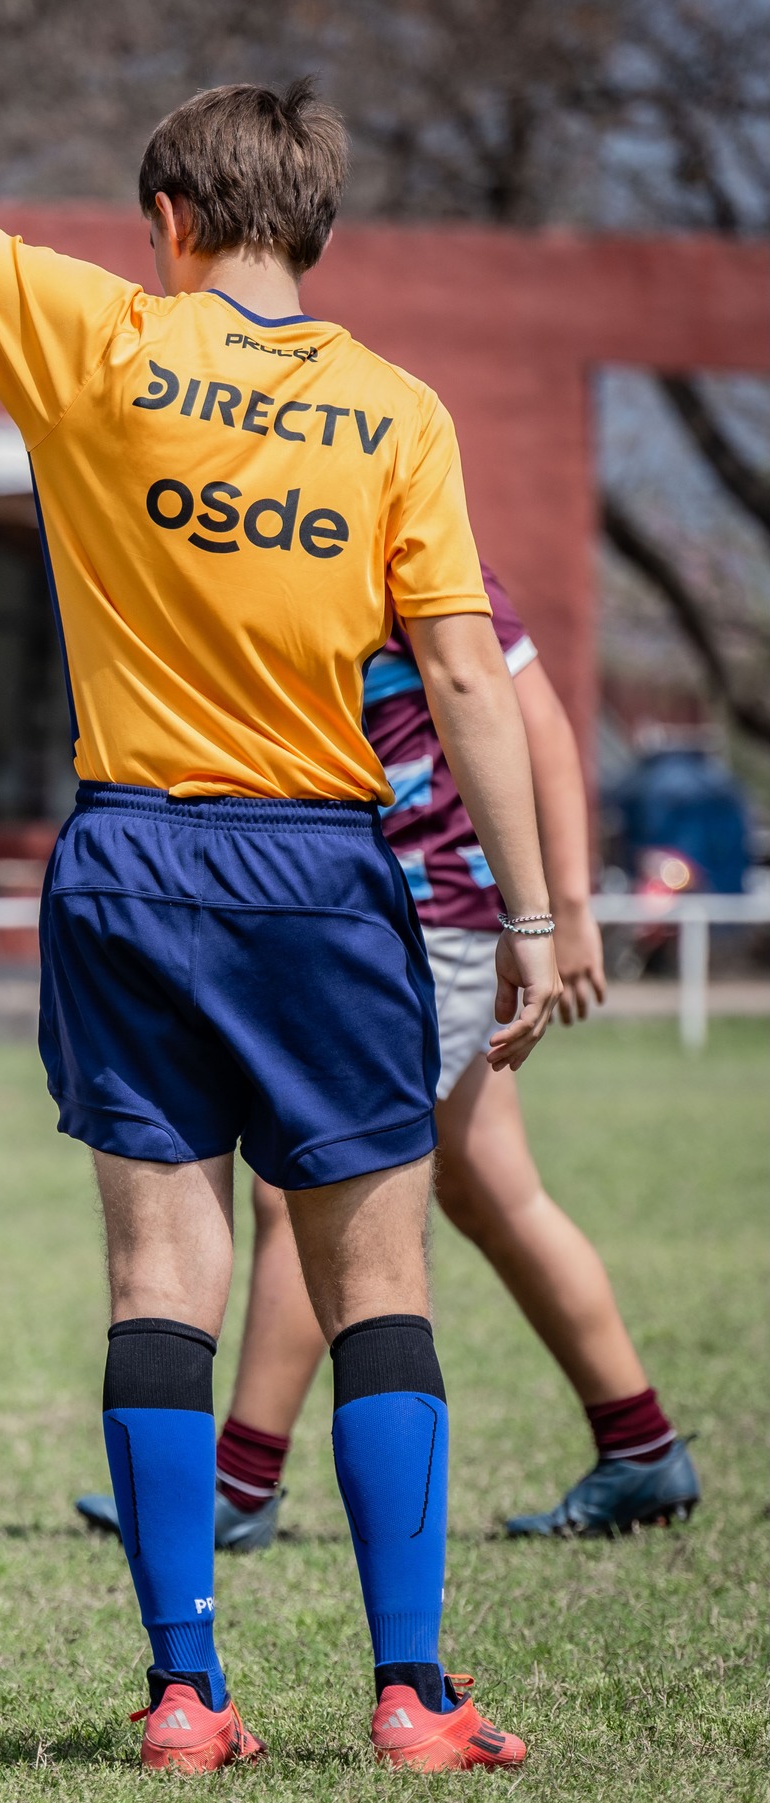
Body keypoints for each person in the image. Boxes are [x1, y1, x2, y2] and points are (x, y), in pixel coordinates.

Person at [0, 3, 558, 1773]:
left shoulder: (96, 341)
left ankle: (183, 1695)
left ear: (168, 221)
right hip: (319, 868)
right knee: (376, 1284)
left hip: (130, 857)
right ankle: (412, 1694)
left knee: (159, 1276)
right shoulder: (395, 415)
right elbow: (460, 680)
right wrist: (532, 917)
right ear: (311, 225)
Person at [77, 567, 699, 1549]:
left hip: (432, 922)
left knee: (306, 1183)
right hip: (363, 919)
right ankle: (640, 1448)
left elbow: (530, 717)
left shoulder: (409, 545)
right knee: (491, 1187)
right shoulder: (271, 533)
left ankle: (239, 1481)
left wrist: (566, 907)